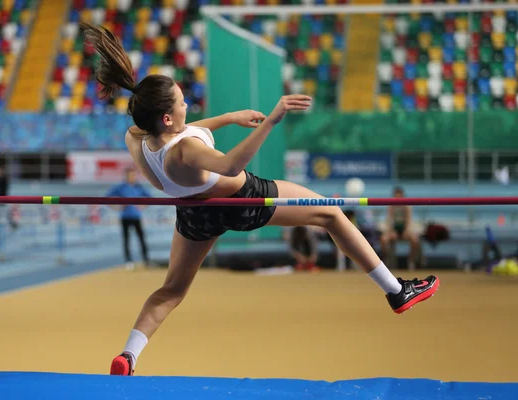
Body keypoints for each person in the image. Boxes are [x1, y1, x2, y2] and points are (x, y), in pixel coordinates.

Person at [78, 23, 440, 377]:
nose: (188, 104)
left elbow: (183, 128)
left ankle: (128, 355)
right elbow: (230, 163)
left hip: (193, 215)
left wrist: (228, 118)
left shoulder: (137, 137)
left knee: (171, 290)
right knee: (330, 214)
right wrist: (272, 120)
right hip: (244, 199)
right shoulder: (186, 150)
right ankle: (396, 291)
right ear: (168, 117)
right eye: (182, 101)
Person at [106, 167, 151, 268]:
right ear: (126, 176)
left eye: (133, 175)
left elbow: (150, 197)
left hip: (136, 217)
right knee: (126, 239)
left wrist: (143, 206)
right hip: (125, 217)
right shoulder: (120, 187)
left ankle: (146, 259)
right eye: (130, 175)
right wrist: (116, 207)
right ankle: (128, 261)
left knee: (141, 238)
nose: (132, 177)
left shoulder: (139, 187)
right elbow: (107, 197)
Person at [380, 186, 420, 270]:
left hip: (405, 229)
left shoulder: (407, 206)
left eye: (399, 197)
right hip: (394, 229)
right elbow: (389, 220)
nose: (397, 199)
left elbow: (409, 220)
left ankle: (411, 261)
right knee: (383, 239)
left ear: (403, 196)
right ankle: (387, 260)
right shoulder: (391, 206)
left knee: (415, 240)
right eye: (396, 197)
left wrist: (406, 230)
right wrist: (391, 231)